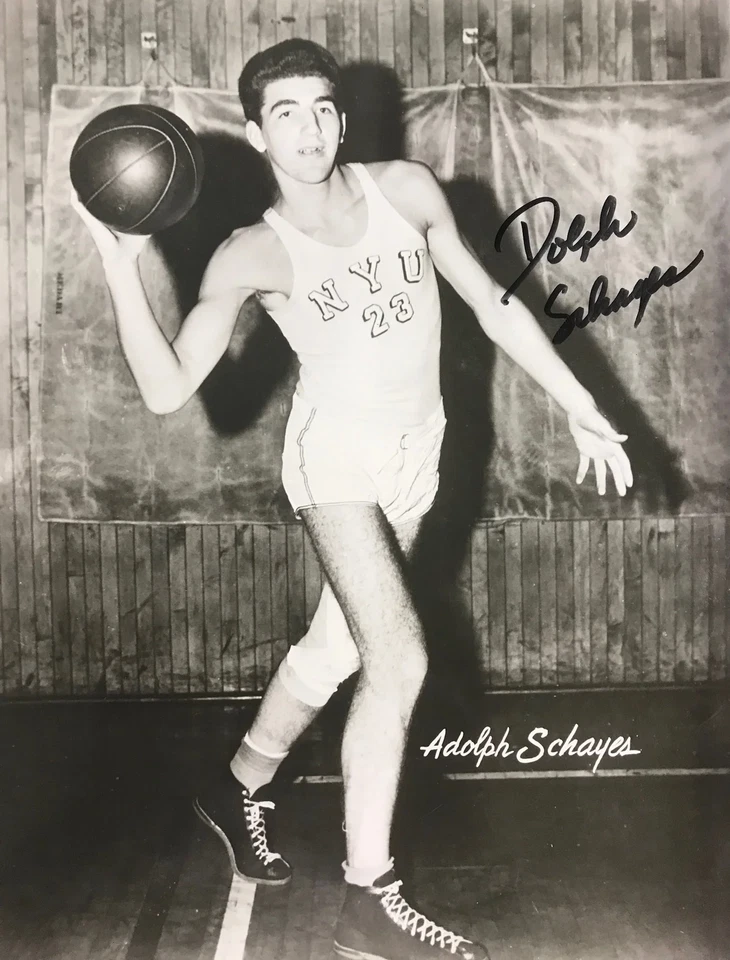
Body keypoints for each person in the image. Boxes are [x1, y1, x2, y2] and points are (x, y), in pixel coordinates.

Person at [72, 38, 633, 960]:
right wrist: (119, 261)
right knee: (398, 659)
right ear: (257, 133)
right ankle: (368, 897)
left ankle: (237, 784)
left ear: (343, 118)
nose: (310, 129)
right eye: (286, 114)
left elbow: (492, 303)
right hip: (334, 466)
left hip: (418, 458)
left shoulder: (405, 191)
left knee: (338, 646)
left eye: (323, 108)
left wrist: (578, 404)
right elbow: (168, 390)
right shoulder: (252, 252)